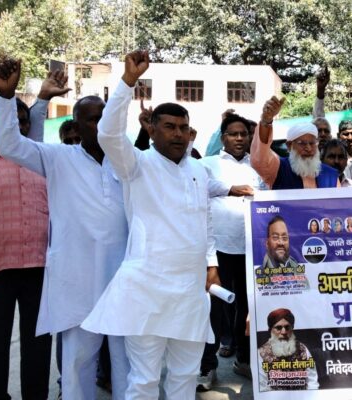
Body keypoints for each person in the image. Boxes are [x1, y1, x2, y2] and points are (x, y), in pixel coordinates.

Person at [80, 51, 220, 399]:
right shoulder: (136, 165)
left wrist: (212, 264)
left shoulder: (199, 170)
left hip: (190, 294)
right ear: (151, 130)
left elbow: (205, 221)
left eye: (183, 128)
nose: (178, 134)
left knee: (185, 377)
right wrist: (127, 82)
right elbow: (108, 134)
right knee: (143, 380)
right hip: (147, 292)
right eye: (169, 127)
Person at [0, 58, 130, 400]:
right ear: (77, 125)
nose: (100, 124)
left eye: (104, 117)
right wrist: (7, 97)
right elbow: (11, 145)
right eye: (92, 119)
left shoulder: (128, 162)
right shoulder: (58, 158)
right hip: (77, 281)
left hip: (123, 279)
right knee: (77, 366)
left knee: (127, 364)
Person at [0, 69, 67, 400]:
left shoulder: (45, 164)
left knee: (38, 343)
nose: (19, 127)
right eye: (12, 121)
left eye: (24, 122)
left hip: (40, 269)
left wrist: (44, 97)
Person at [198, 113, 259, 388]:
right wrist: (231, 189)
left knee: (248, 307)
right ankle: (207, 367)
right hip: (218, 249)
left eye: (244, 134)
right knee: (214, 309)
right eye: (233, 134)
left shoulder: (258, 164)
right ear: (223, 137)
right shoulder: (208, 164)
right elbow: (201, 187)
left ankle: (243, 360)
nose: (239, 138)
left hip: (250, 248)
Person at [251, 96, 339, 189]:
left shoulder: (331, 175)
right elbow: (260, 159)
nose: (308, 148)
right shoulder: (278, 168)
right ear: (289, 145)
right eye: (302, 143)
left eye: (312, 143)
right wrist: (266, 122)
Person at [258, 308, 319, 391]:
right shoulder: (261, 353)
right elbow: (263, 387)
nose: (284, 332)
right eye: (278, 328)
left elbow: (312, 381)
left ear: (292, 328)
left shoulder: (302, 349)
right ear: (270, 330)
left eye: (287, 327)